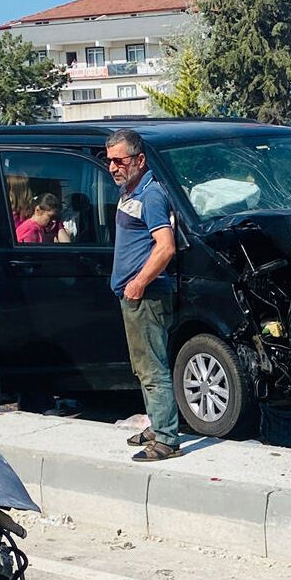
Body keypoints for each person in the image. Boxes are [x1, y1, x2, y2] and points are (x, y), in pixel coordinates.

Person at [106, 129, 181, 463]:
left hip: (146, 297)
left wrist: (138, 283)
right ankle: (157, 424)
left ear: (139, 160)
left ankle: (166, 439)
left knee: (153, 369)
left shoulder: (150, 196)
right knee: (143, 367)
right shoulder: (129, 192)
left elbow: (165, 248)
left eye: (119, 160)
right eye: (109, 160)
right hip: (135, 297)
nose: (112, 167)